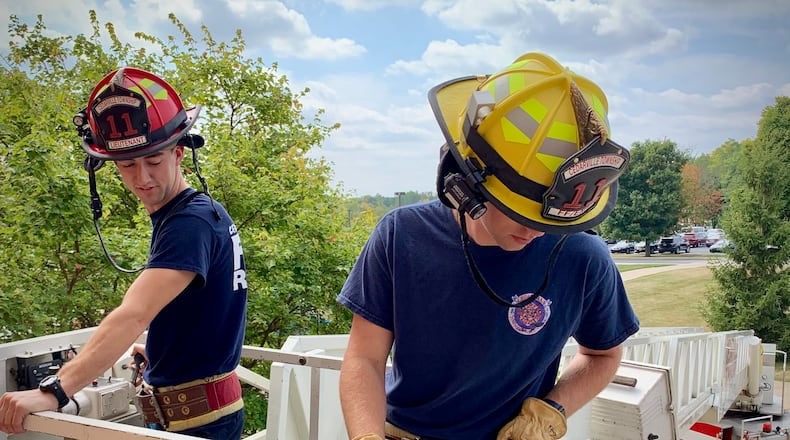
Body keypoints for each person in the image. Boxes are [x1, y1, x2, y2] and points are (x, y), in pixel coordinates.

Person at [337, 52, 639, 440]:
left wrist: (551, 410)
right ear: (463, 183)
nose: (537, 233)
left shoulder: (583, 257)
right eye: (523, 215)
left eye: (550, 222)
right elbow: (365, 357)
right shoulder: (401, 235)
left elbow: (603, 355)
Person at [0, 67, 248, 439]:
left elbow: (133, 314)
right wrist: (163, 348)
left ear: (179, 154)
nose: (142, 178)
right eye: (128, 165)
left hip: (194, 424)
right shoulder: (201, 211)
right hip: (203, 413)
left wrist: (53, 391)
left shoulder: (187, 223)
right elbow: (209, 307)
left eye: (154, 161)